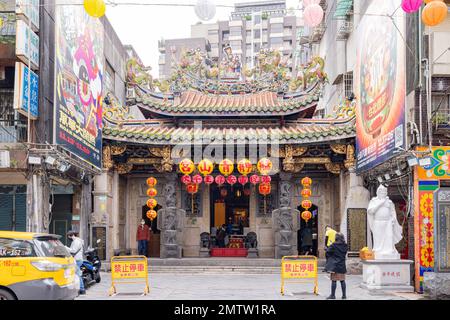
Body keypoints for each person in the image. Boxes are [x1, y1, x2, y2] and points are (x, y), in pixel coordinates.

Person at [324, 233, 348, 300]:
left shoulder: (334, 245)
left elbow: (328, 252)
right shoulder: (345, 245)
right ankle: (344, 295)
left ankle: (333, 295)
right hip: (342, 264)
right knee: (342, 280)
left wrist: (327, 249)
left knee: (334, 280)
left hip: (335, 265)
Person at [67, 230, 85, 295]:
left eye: (68, 236)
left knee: (77, 275)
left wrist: (66, 248)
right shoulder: (76, 241)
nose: (68, 238)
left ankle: (82, 289)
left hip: (77, 259)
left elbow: (74, 251)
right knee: (76, 274)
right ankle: (79, 288)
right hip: (77, 259)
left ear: (71, 235)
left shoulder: (76, 241)